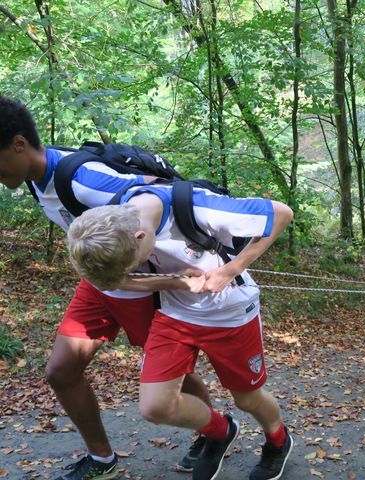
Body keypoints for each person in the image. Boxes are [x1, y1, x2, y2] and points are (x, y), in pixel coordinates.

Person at [0, 95, 211, 479]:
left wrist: (171, 278)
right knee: (61, 372)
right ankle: (102, 459)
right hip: (99, 285)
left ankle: (210, 432)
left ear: (17, 144)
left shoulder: (83, 179)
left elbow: (153, 199)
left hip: (140, 284)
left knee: (170, 371)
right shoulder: (35, 179)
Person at [66, 182, 295, 480]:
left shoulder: (198, 209)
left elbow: (281, 214)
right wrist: (174, 282)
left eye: (132, 265)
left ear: (139, 236)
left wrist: (229, 271)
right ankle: (220, 432)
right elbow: (117, 282)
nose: (131, 272)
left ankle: (278, 440)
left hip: (230, 315)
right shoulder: (115, 215)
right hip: (173, 315)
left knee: (247, 399)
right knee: (156, 405)